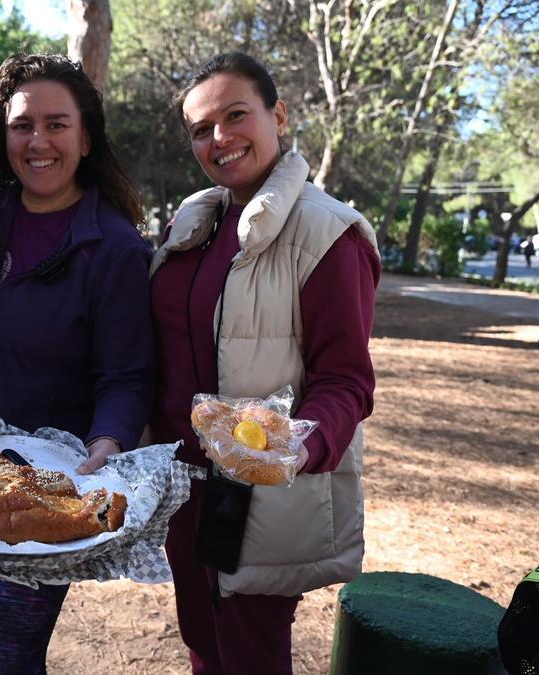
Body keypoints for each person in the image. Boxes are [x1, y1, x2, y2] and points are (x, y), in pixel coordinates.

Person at [148, 52, 381, 674]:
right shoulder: (192, 228)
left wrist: (294, 444)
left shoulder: (328, 234)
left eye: (236, 115)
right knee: (201, 639)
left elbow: (346, 383)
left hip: (254, 493)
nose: (220, 138)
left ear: (278, 114)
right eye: (201, 129)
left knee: (249, 651)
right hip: (182, 489)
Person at [0, 54, 155, 674]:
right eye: (22, 125)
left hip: (42, 490)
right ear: (1, 133)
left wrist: (108, 440)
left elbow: (126, 374)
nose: (38, 142)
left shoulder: (113, 249)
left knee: (7, 657)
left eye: (57, 125)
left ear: (86, 138)